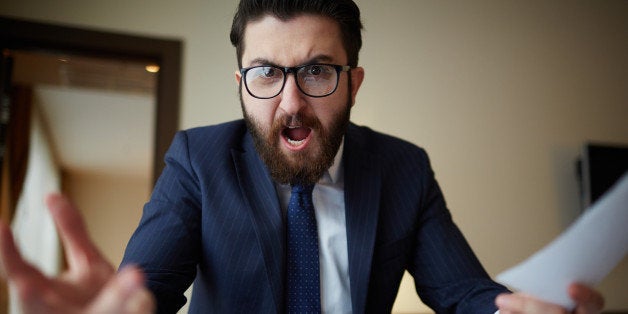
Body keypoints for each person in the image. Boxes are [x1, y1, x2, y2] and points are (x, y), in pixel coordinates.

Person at [0, 0, 606, 313]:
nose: (291, 103)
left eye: (316, 70)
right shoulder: (197, 159)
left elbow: (465, 294)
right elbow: (146, 290)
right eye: (266, 72)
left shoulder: (404, 170)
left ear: (353, 81)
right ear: (240, 83)